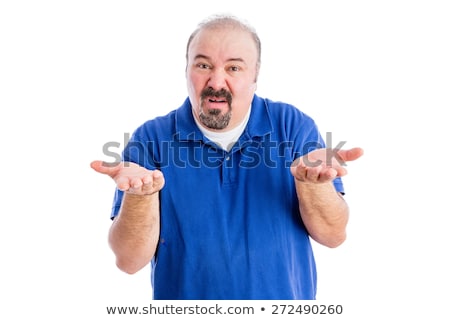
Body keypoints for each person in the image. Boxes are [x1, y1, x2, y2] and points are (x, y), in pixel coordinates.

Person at [91, 14, 363, 300]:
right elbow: (128, 261)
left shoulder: (291, 125)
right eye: (203, 65)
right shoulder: (151, 138)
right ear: (187, 70)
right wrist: (139, 197)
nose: (216, 81)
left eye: (233, 67)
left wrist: (315, 185)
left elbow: (333, 236)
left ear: (255, 76)